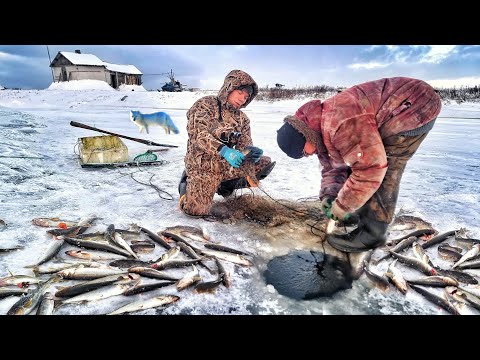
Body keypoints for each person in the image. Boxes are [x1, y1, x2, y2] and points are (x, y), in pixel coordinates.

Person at [276, 77, 442, 253]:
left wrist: (343, 206)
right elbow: (334, 165)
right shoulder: (318, 129)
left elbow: (370, 169)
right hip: (398, 107)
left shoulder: (339, 122)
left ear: (304, 136)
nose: (308, 155)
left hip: (415, 106)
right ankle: (359, 213)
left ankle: (373, 232)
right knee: (358, 159)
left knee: (384, 166)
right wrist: (330, 195)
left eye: (304, 152)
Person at [178, 69, 276, 217]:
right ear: (230, 87)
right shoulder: (205, 105)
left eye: (246, 96)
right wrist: (223, 150)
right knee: (196, 211)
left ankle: (224, 186)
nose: (243, 99)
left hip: (226, 165)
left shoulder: (243, 119)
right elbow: (198, 135)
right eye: (240, 92)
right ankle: (187, 185)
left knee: (263, 163)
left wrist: (250, 151)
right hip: (203, 166)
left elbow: (244, 144)